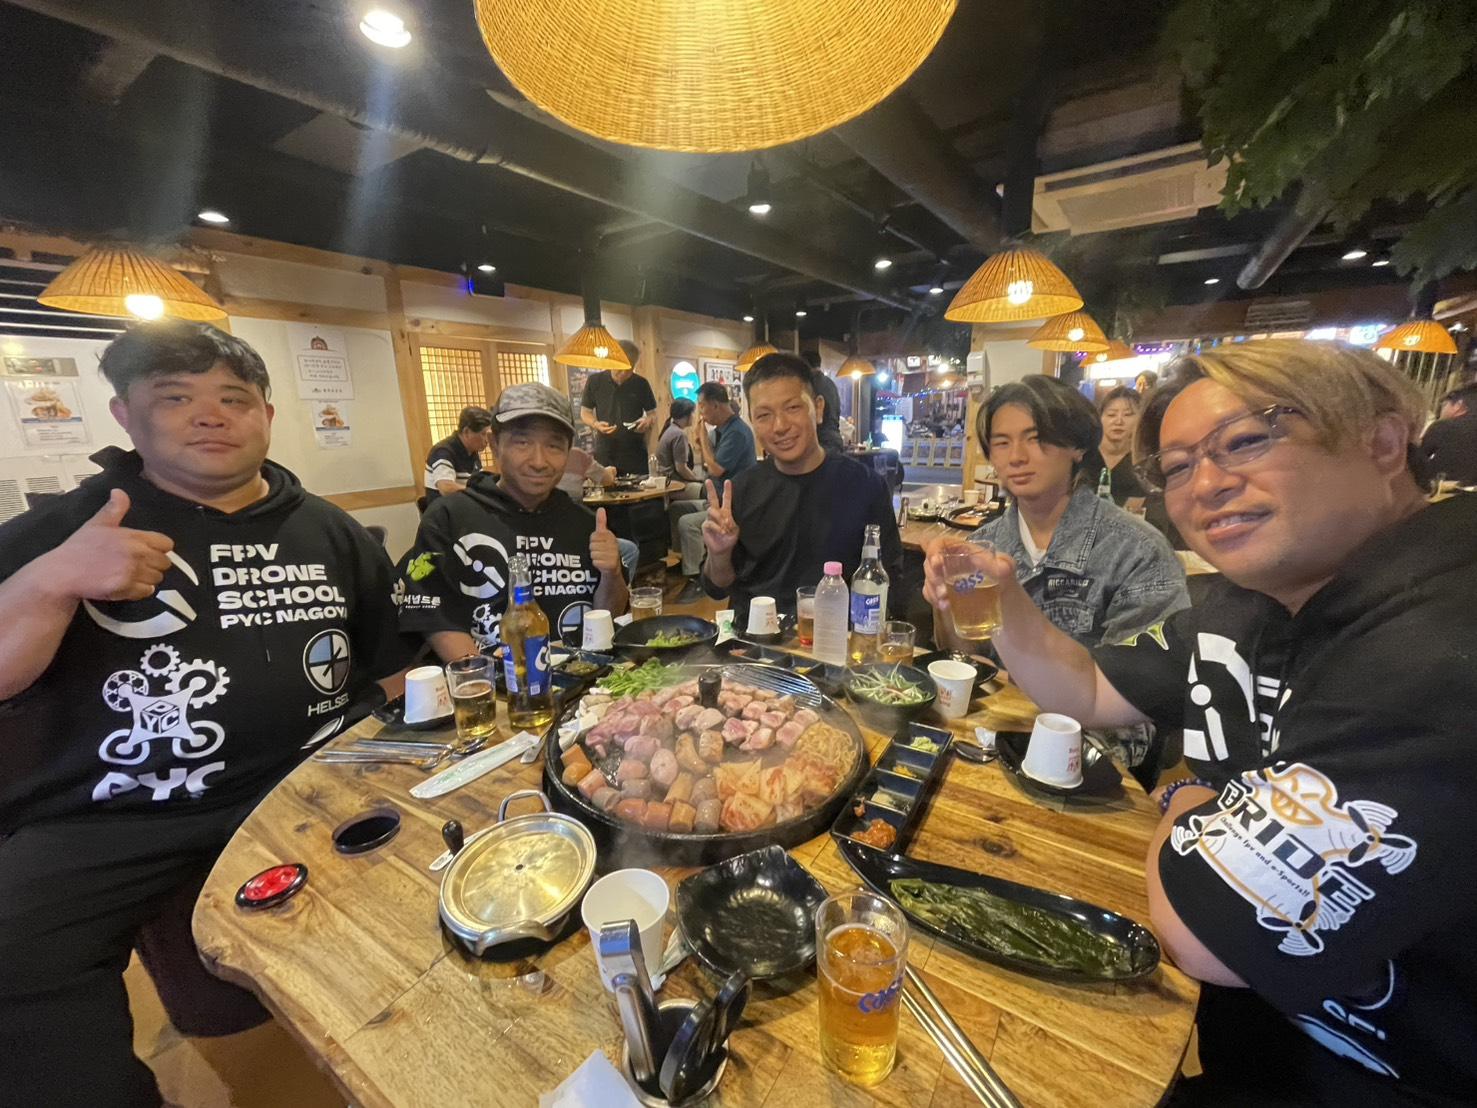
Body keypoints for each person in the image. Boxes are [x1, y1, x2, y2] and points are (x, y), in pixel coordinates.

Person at [925, 340, 1477, 1105]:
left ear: (1382, 441)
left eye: (1243, 442)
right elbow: (1084, 689)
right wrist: (1006, 598)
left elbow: (1208, 933)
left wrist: (1185, 797)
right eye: (1179, 466)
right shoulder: (1247, 605)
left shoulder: (1440, 637)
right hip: (1246, 1047)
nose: (1206, 485)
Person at [0, 321, 411, 1106]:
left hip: (307, 787)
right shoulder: (68, 528)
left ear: (267, 415)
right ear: (125, 415)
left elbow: (392, 666)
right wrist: (50, 581)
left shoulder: (329, 529)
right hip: (112, 815)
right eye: (175, 397)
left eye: (234, 398)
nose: (211, 415)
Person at [934, 375, 1186, 652]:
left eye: (1035, 439)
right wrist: (945, 599)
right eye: (1002, 443)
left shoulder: (1137, 552)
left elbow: (1140, 674)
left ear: (1077, 447)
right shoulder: (982, 549)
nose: (1016, 457)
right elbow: (965, 659)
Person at [398, 382, 628, 655]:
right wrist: (487, 679)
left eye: (554, 445)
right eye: (522, 442)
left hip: (582, 675)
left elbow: (608, 619)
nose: (539, 461)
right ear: (494, 444)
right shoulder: (448, 518)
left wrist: (611, 574)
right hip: (489, 677)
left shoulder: (584, 524)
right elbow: (436, 620)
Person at [701, 353, 902, 625]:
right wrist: (719, 555)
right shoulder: (739, 490)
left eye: (793, 408)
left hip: (835, 639)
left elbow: (889, 577)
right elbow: (717, 586)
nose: (780, 426)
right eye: (764, 415)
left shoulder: (865, 485)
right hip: (755, 639)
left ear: (818, 408)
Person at [671, 382, 756, 604]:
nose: (700, 411)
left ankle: (697, 579)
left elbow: (716, 468)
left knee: (687, 523)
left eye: (702, 406)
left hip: (732, 505)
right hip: (714, 499)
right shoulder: (721, 430)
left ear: (716, 405)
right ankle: (687, 562)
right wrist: (702, 442)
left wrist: (702, 436)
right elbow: (709, 463)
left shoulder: (737, 432)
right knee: (676, 509)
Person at [555, 447, 638, 584]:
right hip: (573, 536)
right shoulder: (577, 455)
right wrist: (610, 471)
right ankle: (618, 594)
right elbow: (607, 479)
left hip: (550, 535)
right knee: (630, 550)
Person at [578, 338, 657, 475]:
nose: (623, 374)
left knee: (640, 487)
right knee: (607, 486)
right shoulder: (595, 381)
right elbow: (585, 412)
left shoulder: (641, 384)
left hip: (634, 450)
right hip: (605, 450)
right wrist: (595, 424)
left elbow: (652, 413)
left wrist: (647, 421)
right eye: (619, 369)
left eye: (629, 370)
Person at [1094, 385, 1150, 510]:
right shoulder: (1083, 455)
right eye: (1111, 415)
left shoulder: (1144, 463)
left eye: (1128, 415)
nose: (1118, 421)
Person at [423, 405, 492, 505]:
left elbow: (479, 482)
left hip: (464, 506)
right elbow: (446, 488)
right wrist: (477, 494)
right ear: (466, 432)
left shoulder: (472, 451)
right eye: (483, 434)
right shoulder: (443, 451)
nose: (487, 440)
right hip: (444, 510)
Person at [1418, 381, 1477, 485]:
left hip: (1439, 490)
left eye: (1445, 405)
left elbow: (1418, 460)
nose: (1442, 410)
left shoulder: (1442, 426)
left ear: (1458, 405)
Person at [656, 397, 703, 496]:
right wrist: (698, 480)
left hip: (666, 483)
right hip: (675, 485)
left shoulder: (670, 429)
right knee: (709, 490)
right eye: (693, 413)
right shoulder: (679, 434)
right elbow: (681, 468)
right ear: (686, 415)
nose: (694, 416)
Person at [801, 352, 846, 454]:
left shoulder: (809, 384)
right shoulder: (830, 383)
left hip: (820, 441)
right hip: (836, 439)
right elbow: (837, 412)